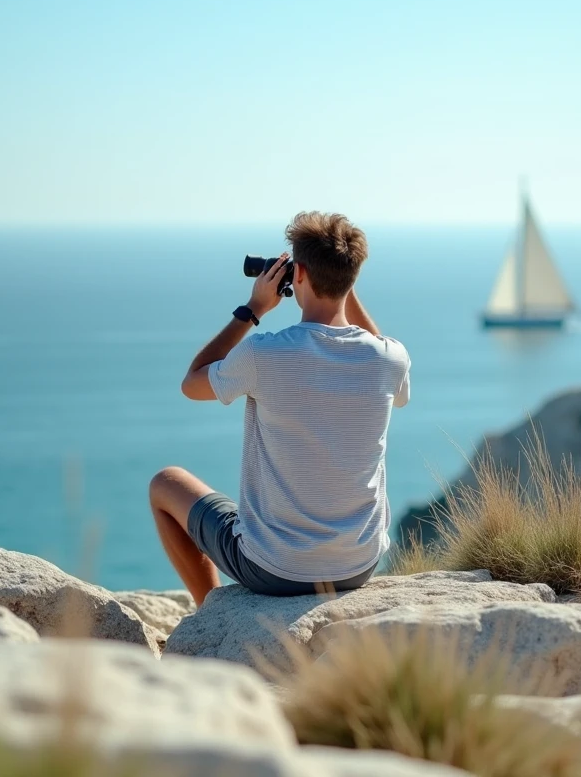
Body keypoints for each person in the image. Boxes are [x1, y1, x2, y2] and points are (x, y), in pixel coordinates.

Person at [149, 211, 412, 605]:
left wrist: (253, 308)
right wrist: (343, 286)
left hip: (273, 570)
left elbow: (192, 383)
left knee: (165, 484)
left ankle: (210, 608)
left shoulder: (263, 353)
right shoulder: (391, 358)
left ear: (298, 274)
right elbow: (388, 369)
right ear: (352, 277)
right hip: (357, 567)